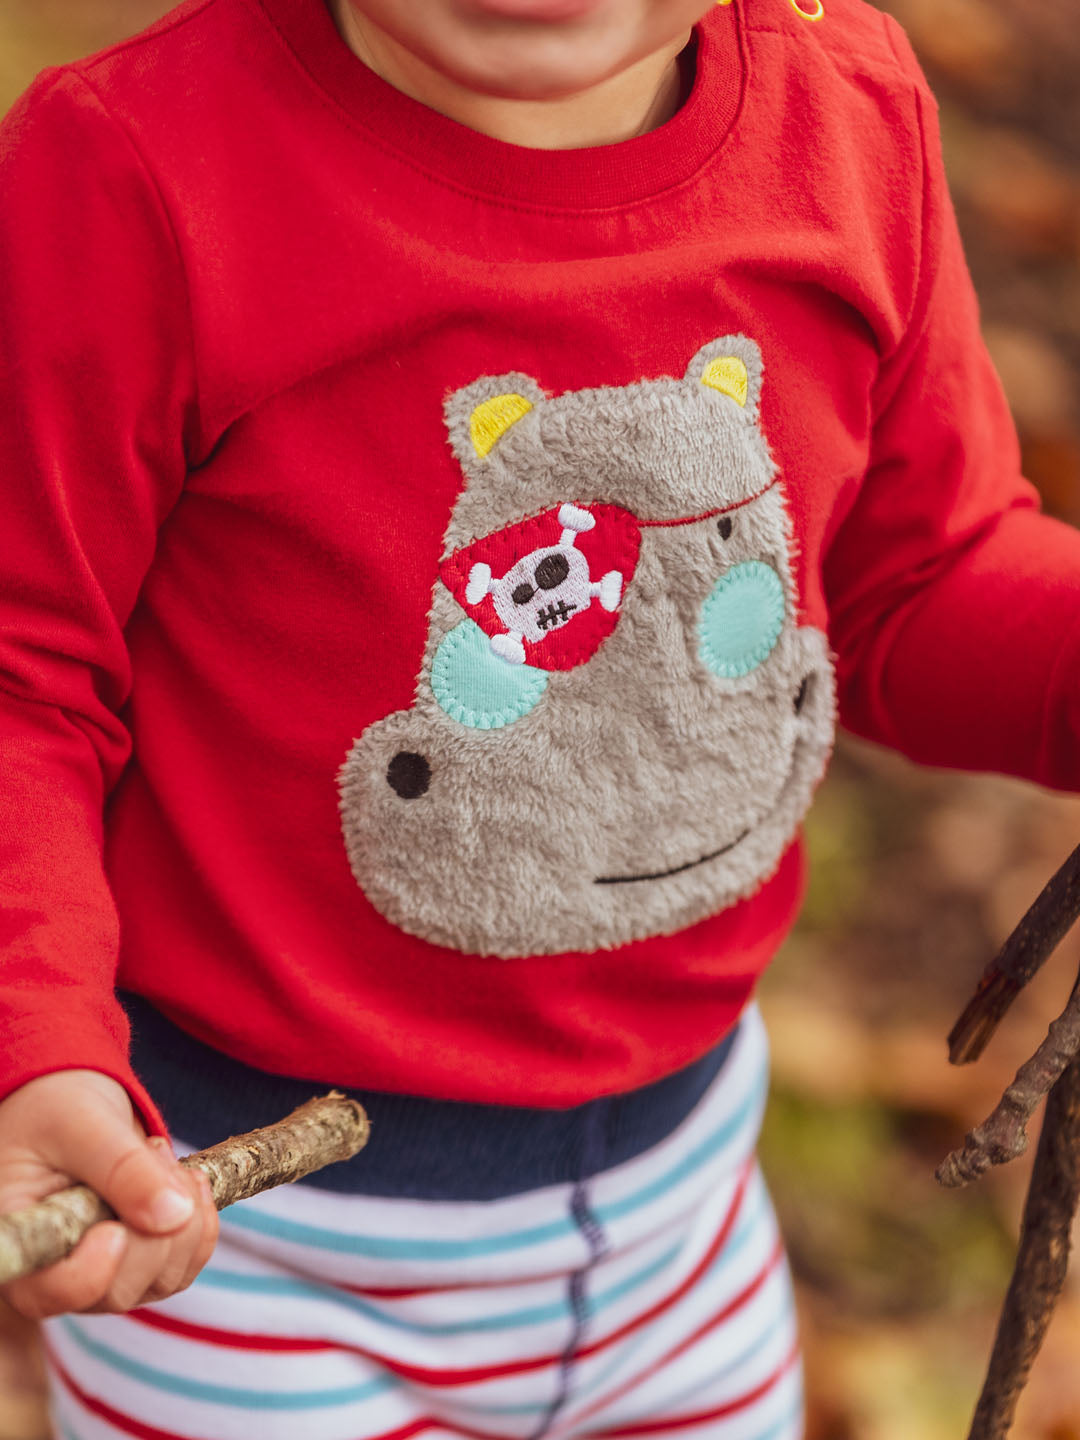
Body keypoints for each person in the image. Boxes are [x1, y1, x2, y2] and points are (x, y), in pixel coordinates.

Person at [1, 0, 1078, 1435]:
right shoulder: (133, 172)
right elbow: (23, 671)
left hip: (681, 1227)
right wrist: (35, 1037)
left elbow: (909, 582)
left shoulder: (850, 119)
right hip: (242, 1254)